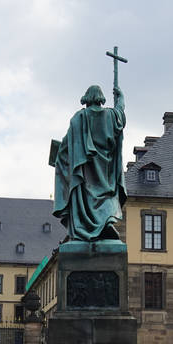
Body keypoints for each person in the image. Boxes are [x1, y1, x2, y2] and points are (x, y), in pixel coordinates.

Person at [51, 84, 126, 241]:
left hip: (86, 174)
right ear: (100, 98)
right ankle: (106, 224)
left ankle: (86, 227)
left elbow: (66, 147)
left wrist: (59, 160)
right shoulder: (110, 115)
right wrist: (121, 98)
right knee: (106, 197)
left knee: (85, 198)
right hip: (106, 172)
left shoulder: (79, 118)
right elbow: (120, 115)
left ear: (87, 99)